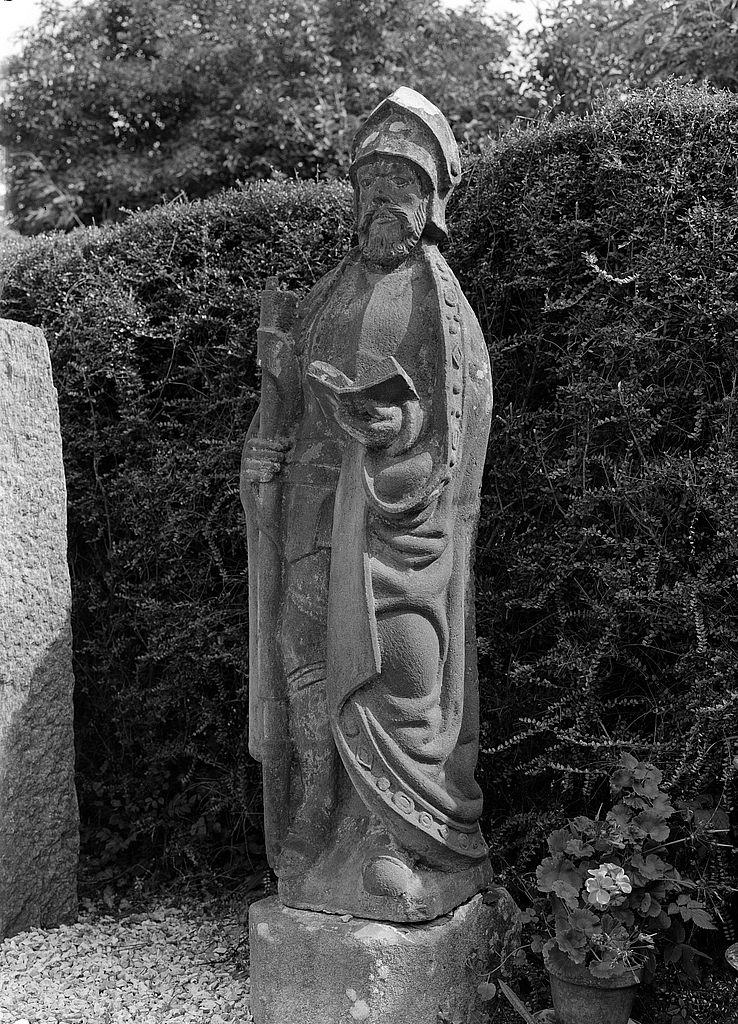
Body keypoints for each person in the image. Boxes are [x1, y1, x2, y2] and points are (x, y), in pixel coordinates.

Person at [241, 88, 493, 921]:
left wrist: (399, 426)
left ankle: (401, 834)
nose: (384, 200)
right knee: (304, 652)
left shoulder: (439, 299)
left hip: (397, 526)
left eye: (402, 184)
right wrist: (263, 448)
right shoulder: (327, 293)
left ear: (431, 199)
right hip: (315, 516)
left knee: (401, 663)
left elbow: (464, 409)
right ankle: (320, 806)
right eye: (371, 185)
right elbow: (285, 407)